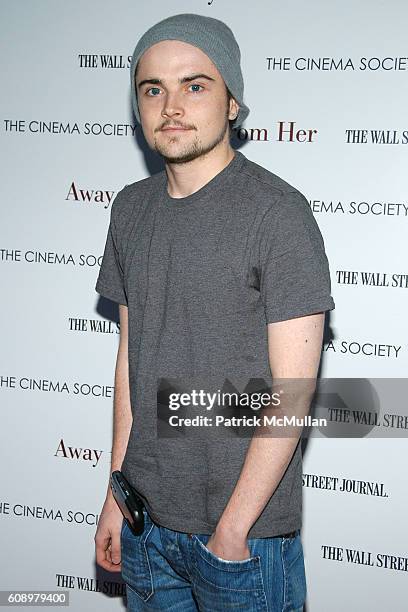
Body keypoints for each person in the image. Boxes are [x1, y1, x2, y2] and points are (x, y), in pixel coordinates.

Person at [94, 12, 335, 612]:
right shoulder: (129, 210)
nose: (171, 105)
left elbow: (294, 390)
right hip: (146, 525)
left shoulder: (277, 214)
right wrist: (114, 495)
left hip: (241, 538)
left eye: (195, 85)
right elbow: (132, 361)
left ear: (232, 102)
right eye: (153, 89)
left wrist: (231, 533)